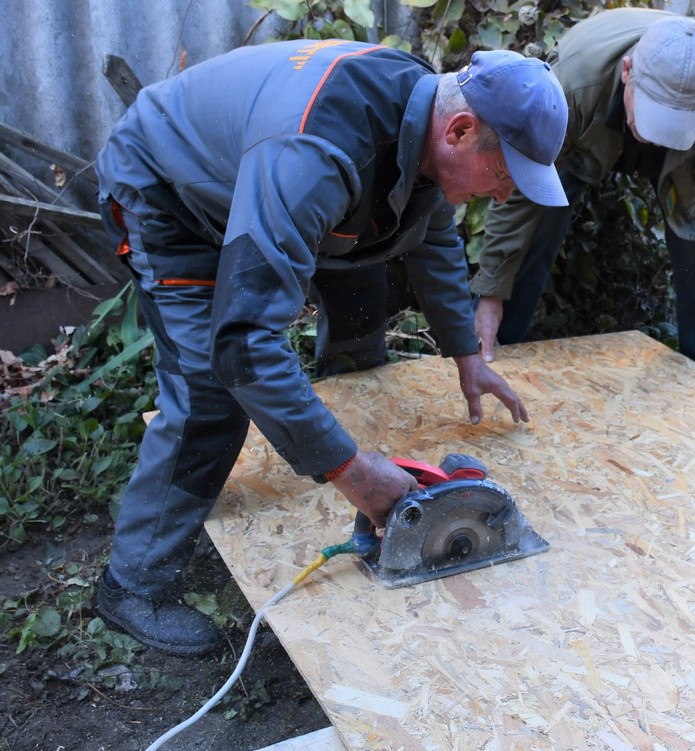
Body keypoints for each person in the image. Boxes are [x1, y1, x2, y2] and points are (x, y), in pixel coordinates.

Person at [93, 40, 568, 656]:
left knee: (376, 267)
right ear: (459, 130)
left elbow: (430, 232)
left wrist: (465, 352)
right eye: (504, 173)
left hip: (257, 182)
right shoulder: (316, 153)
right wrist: (349, 471)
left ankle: (317, 410)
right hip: (167, 194)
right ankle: (131, 585)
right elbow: (243, 343)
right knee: (211, 391)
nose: (504, 195)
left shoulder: (418, 116)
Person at [470, 8, 695, 412]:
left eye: (673, 124)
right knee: (542, 210)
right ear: (627, 71)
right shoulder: (570, 85)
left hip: (685, 162)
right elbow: (518, 192)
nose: (656, 138)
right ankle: (497, 348)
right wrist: (491, 291)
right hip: (586, 128)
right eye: (653, 117)